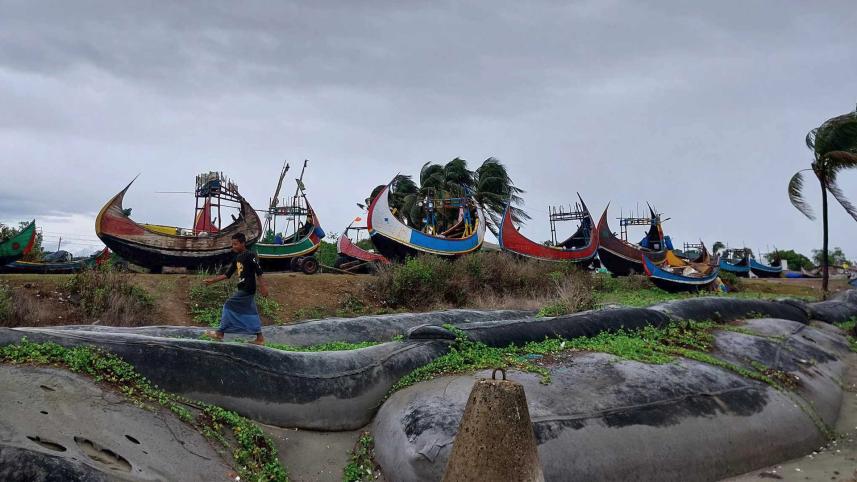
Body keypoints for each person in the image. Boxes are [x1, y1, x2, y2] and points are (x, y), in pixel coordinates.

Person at [204, 233, 269, 345]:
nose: (233, 246)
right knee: (251, 313)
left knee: (228, 305)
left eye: (235, 244)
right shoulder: (237, 258)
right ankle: (260, 338)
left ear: (243, 243)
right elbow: (227, 274)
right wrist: (212, 281)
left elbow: (259, 271)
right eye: (232, 244)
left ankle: (220, 333)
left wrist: (263, 287)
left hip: (248, 288)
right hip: (242, 288)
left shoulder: (250, 255)